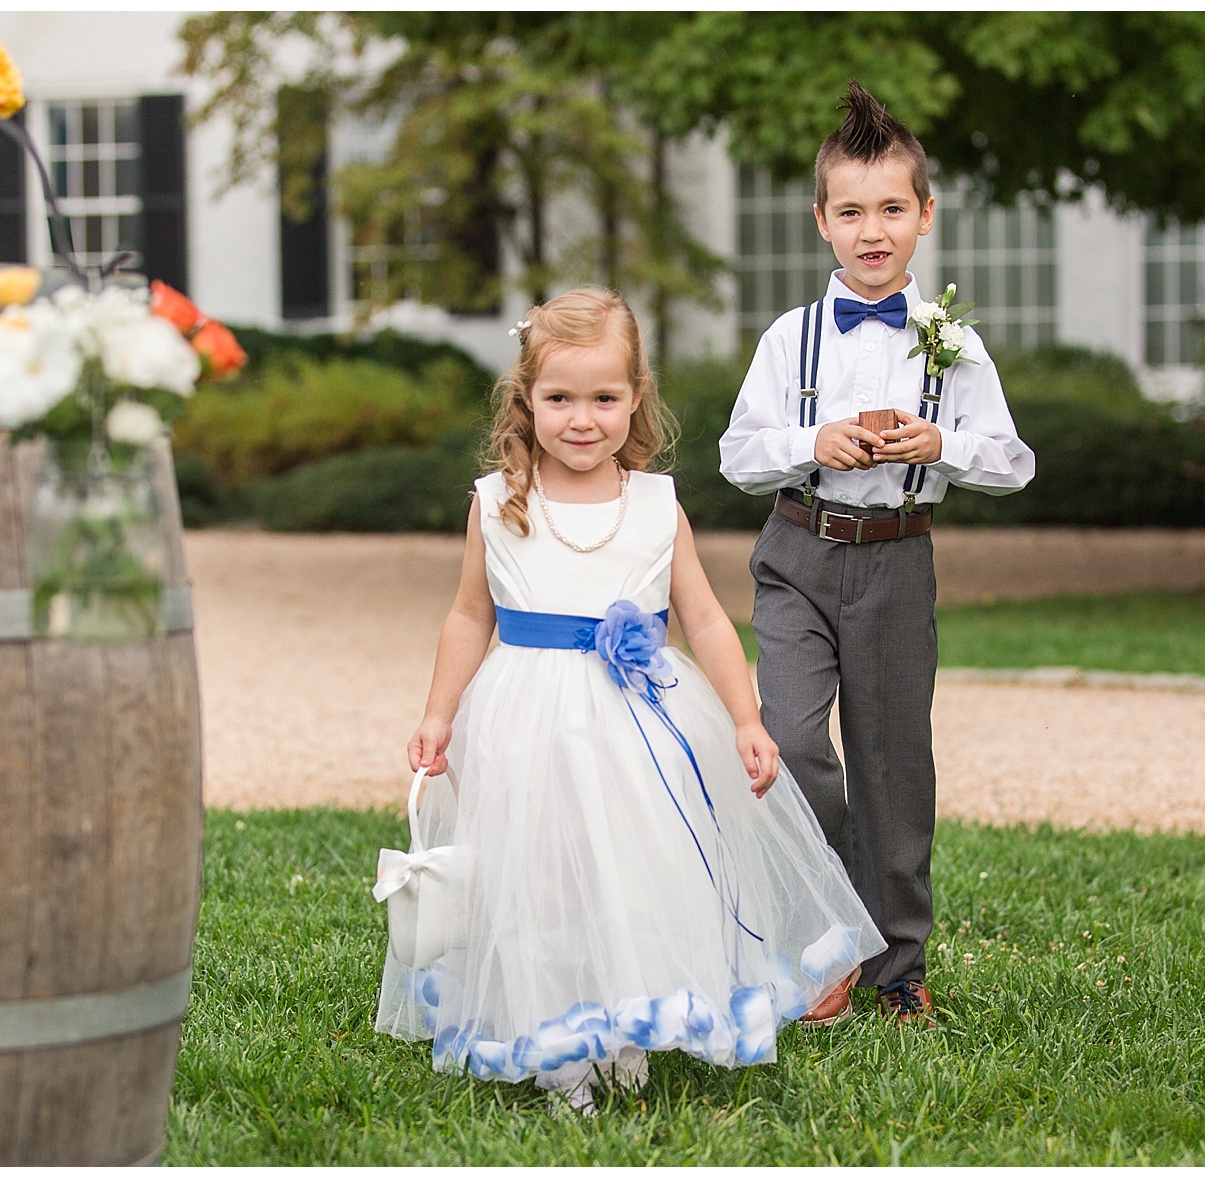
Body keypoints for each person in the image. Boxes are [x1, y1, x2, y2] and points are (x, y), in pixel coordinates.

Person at [378, 287, 886, 1115]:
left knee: (639, 876)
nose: (583, 419)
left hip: (642, 722)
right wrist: (439, 712)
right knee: (541, 881)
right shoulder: (496, 502)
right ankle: (555, 1047)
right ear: (525, 400)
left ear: (635, 397)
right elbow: (469, 615)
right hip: (526, 723)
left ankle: (626, 1028)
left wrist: (747, 718)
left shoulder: (656, 503)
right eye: (560, 399)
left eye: (604, 398)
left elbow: (707, 619)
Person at [719, 81, 1035, 1027]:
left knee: (895, 761)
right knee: (795, 745)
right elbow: (739, 453)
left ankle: (897, 966)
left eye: (891, 209)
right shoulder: (791, 338)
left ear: (924, 216)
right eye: (850, 211)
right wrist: (810, 442)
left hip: (897, 562)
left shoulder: (953, 345)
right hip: (797, 555)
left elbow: (1013, 463)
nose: (871, 230)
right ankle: (821, 952)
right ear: (821, 220)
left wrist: (943, 446)